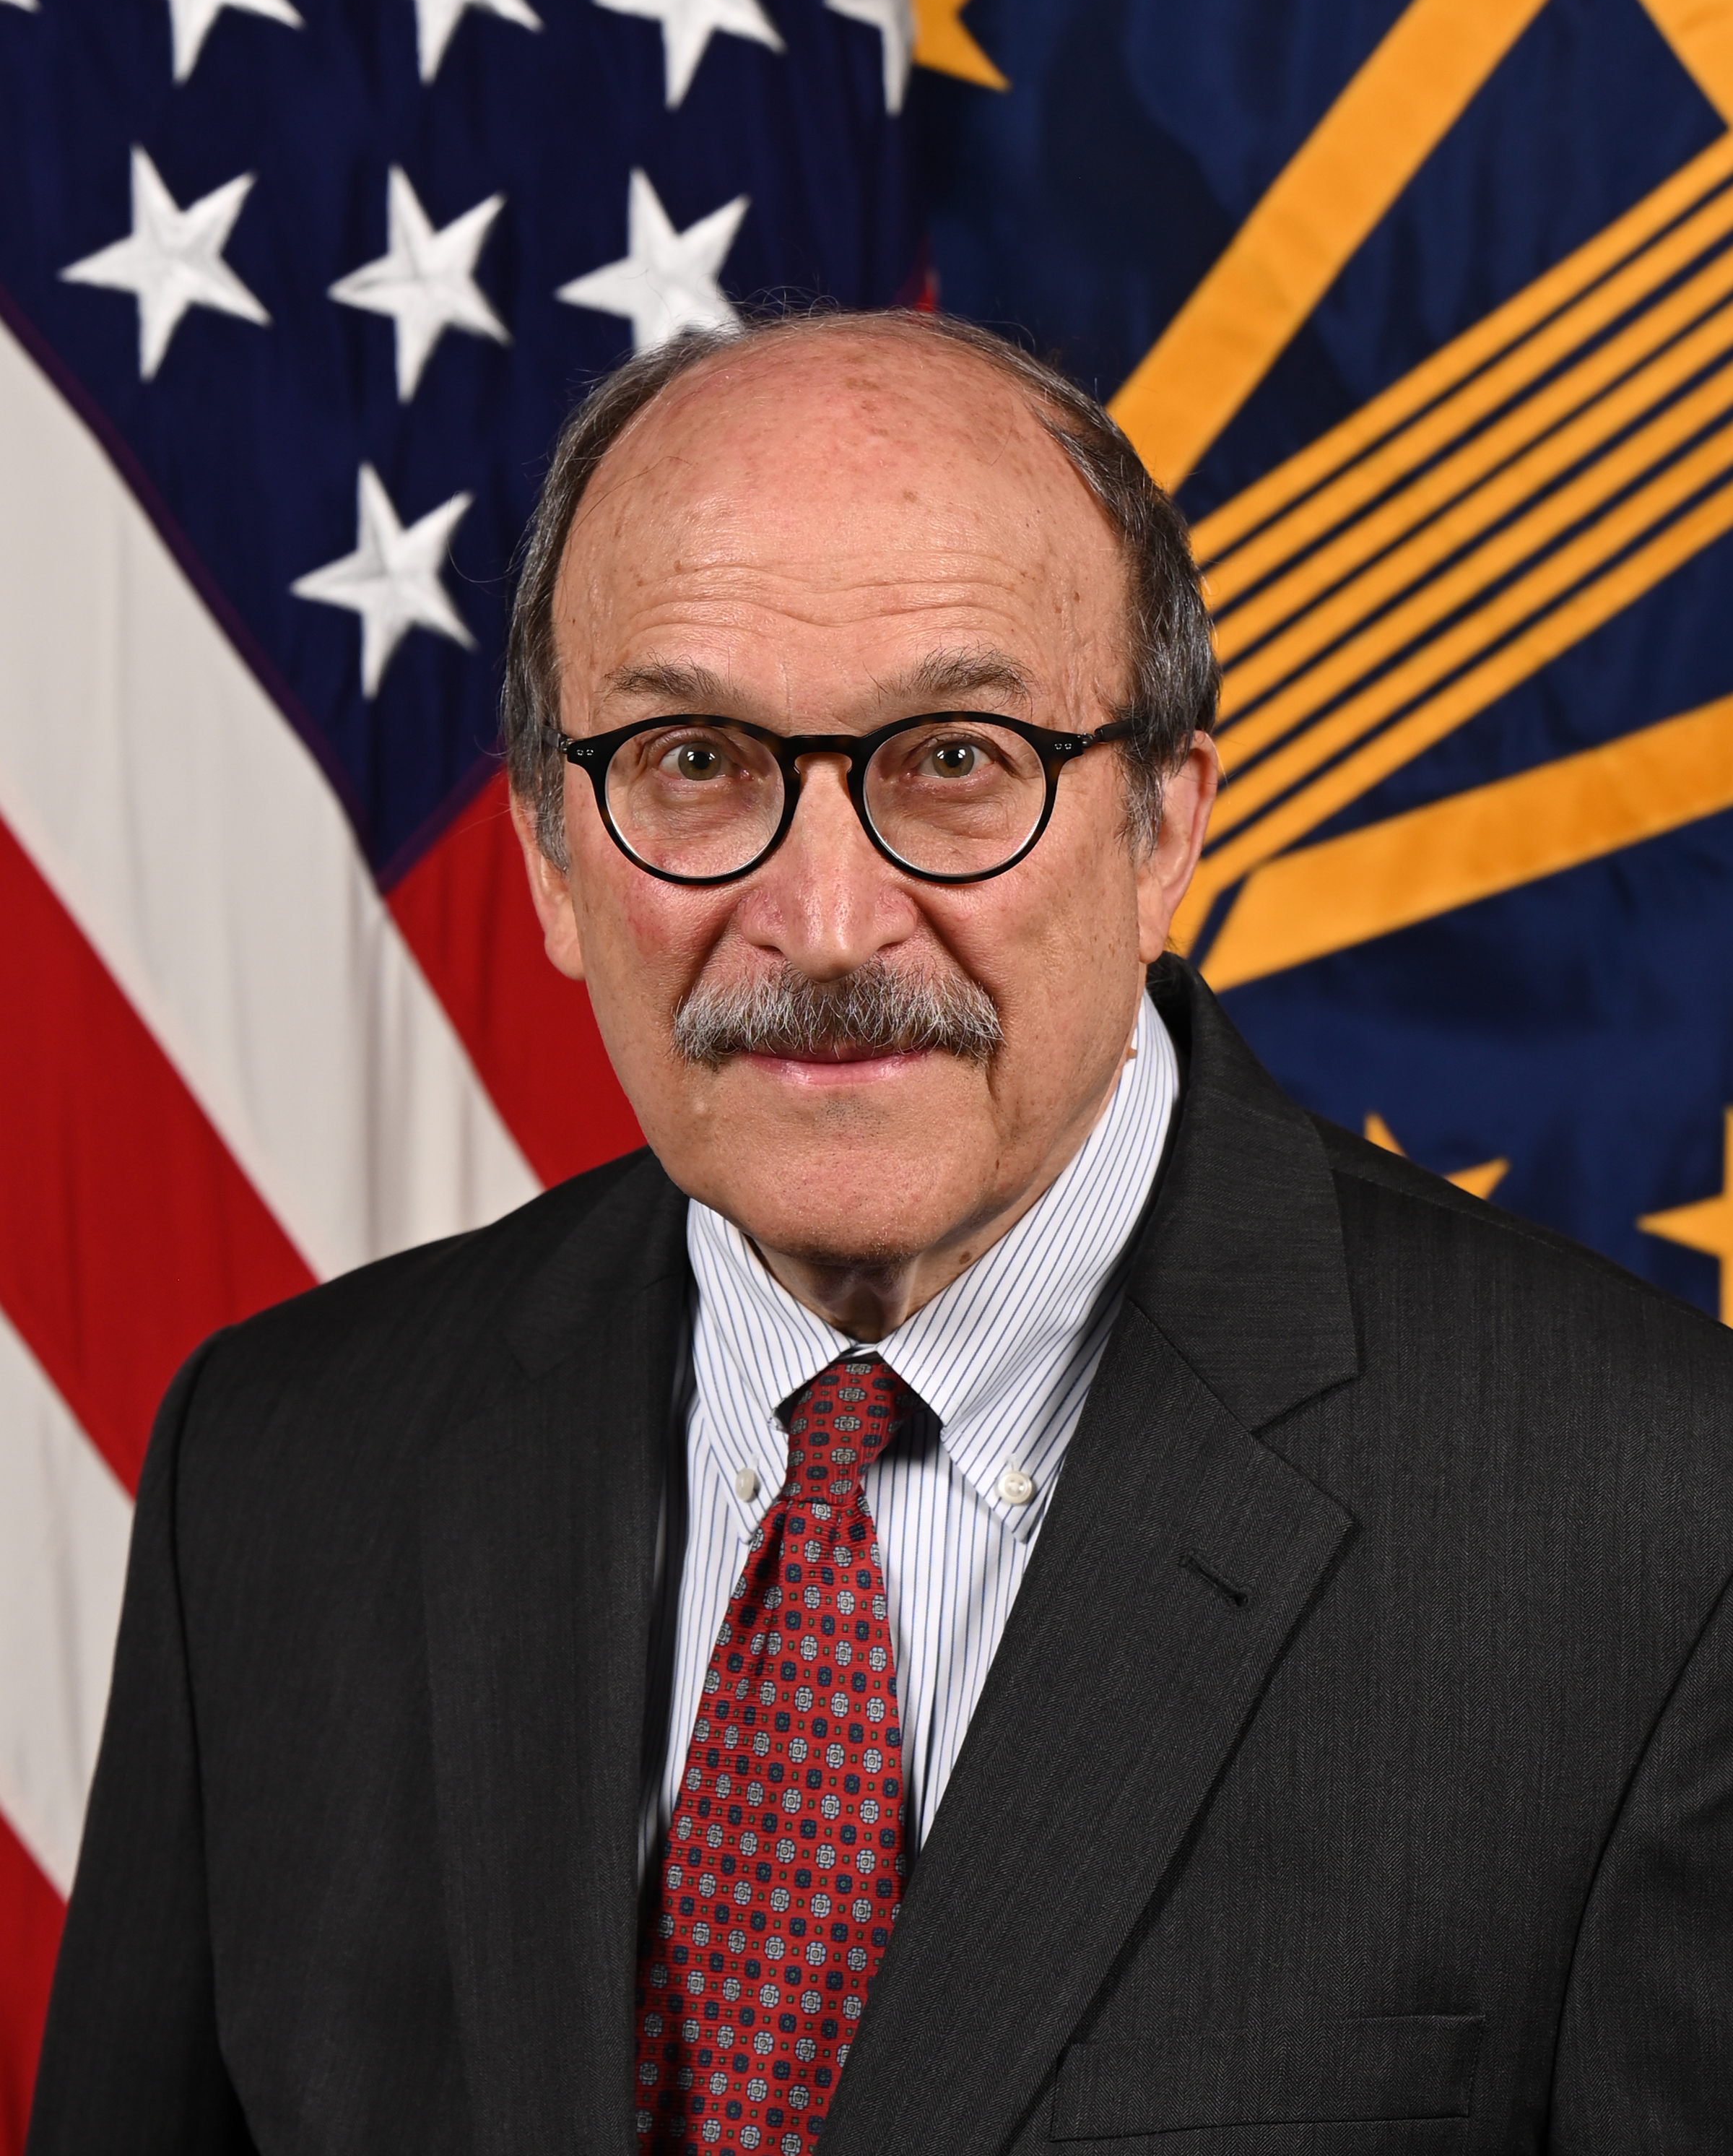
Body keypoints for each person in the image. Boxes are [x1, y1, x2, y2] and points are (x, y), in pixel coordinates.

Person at [28, 311, 1733, 2156]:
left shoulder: (1658, 1526)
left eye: (956, 758)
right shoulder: (275, 1470)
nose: (828, 924)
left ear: (1165, 824)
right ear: (547, 856)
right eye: (692, 760)